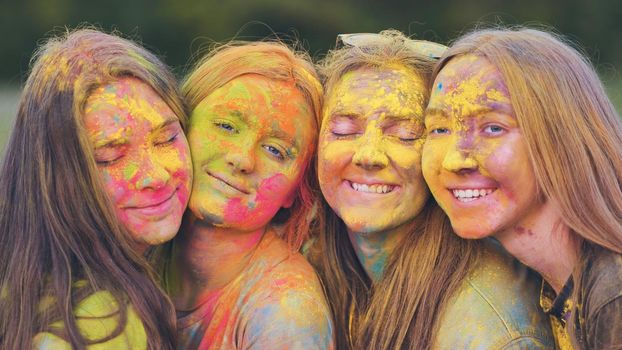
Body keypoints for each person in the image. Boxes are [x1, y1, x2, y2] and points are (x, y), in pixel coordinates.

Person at [306, 30, 554, 349]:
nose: (368, 155)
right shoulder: (313, 264)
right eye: (343, 131)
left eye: (406, 135)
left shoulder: (485, 330)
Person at [422, 27, 622, 349]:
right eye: (439, 128)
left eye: (493, 127)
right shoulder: (552, 284)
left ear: (563, 138)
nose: (455, 159)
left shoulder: (614, 295)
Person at [0, 28, 192, 349]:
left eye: (167, 138)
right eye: (110, 156)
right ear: (58, 178)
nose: (155, 176)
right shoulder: (97, 326)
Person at [164, 41, 334, 349]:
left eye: (275, 150)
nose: (242, 159)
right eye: (227, 126)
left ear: (296, 190)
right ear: (180, 126)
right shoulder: (131, 248)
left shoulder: (289, 312)